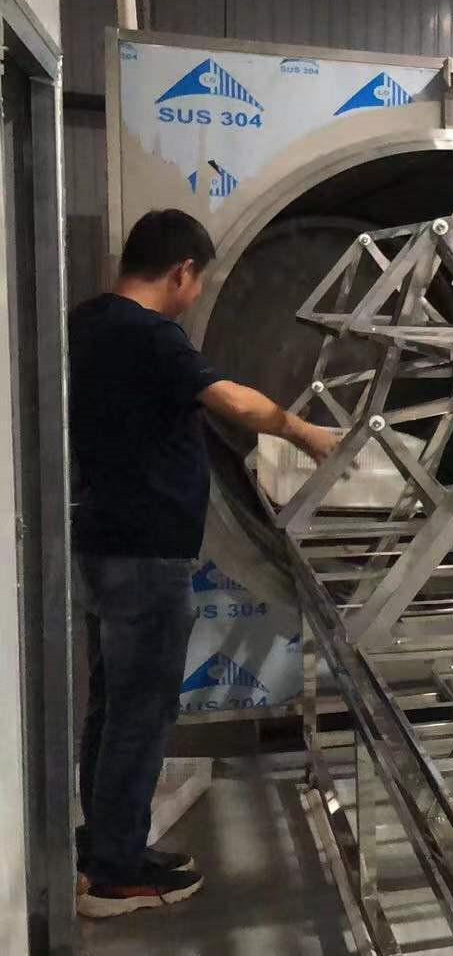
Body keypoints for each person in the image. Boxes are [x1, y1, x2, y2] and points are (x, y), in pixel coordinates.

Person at [70, 209, 338, 917]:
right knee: (139, 712)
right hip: (147, 555)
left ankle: (106, 845)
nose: (195, 298)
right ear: (182, 271)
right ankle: (115, 874)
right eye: (199, 283)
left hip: (102, 541)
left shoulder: (86, 322)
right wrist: (305, 432)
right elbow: (230, 400)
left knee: (112, 704)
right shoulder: (151, 335)